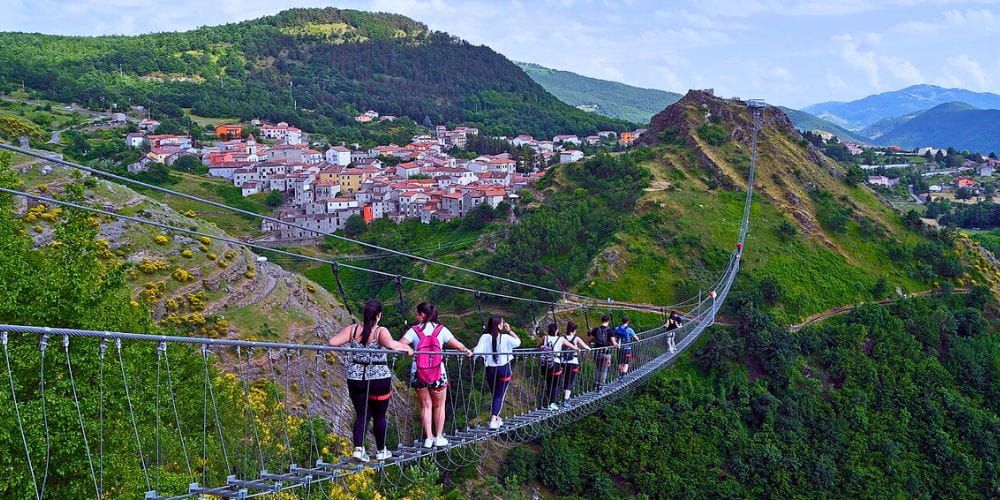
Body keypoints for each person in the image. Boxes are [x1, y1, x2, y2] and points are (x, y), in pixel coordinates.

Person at [327, 299, 413, 462]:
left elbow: (332, 342)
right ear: (379, 315)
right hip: (378, 379)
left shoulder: (352, 330)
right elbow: (391, 345)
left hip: (356, 378)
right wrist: (407, 349)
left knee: (362, 415)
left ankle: (358, 450)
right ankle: (381, 450)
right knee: (379, 416)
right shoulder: (380, 331)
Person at [399, 302, 472, 448]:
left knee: (426, 406)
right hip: (438, 372)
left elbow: (399, 344)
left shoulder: (414, 331)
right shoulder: (441, 330)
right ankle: (439, 437)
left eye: (417, 314)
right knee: (439, 406)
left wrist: (409, 350)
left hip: (418, 372)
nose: (415, 316)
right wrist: (467, 351)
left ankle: (428, 438)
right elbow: (458, 345)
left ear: (423, 315)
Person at [472, 315, 521, 429]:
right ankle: (494, 419)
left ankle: (497, 417)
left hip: (490, 370)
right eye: (502, 323)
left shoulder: (485, 337)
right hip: (503, 369)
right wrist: (509, 331)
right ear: (499, 325)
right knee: (499, 395)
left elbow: (477, 351)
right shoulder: (506, 337)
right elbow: (518, 342)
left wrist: (469, 352)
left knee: (495, 394)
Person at [539, 322, 578, 410]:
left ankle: (549, 402)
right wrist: (577, 348)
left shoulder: (545, 338)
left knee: (549, 383)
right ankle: (552, 403)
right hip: (555, 363)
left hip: (544, 364)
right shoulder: (561, 339)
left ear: (548, 330)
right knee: (556, 384)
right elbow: (573, 348)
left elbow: (537, 346)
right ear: (557, 331)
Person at [560, 320, 591, 401]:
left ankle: (564, 397)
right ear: (574, 330)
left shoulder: (562, 338)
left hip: (563, 362)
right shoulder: (576, 338)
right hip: (573, 362)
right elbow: (586, 347)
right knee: (570, 381)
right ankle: (566, 399)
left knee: (565, 379)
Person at [588, 315, 617, 390]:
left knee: (597, 368)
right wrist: (618, 345)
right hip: (606, 353)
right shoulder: (610, 330)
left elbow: (590, 340)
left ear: (601, 321)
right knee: (604, 370)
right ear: (608, 321)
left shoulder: (596, 329)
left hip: (597, 352)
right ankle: (601, 385)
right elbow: (614, 343)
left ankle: (595, 384)